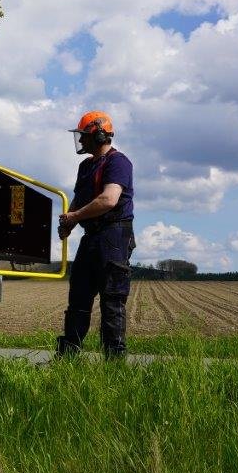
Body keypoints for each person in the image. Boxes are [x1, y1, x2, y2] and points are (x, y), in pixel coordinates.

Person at [55, 110, 135, 358]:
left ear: (99, 135)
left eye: (84, 136)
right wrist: (68, 221)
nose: (80, 141)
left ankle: (114, 362)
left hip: (114, 235)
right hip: (92, 236)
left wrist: (75, 217)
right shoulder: (86, 166)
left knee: (112, 300)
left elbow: (108, 200)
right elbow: (80, 198)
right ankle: (68, 357)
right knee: (78, 297)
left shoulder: (118, 162)